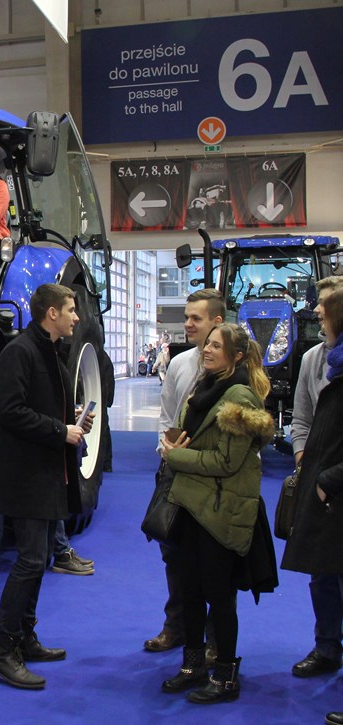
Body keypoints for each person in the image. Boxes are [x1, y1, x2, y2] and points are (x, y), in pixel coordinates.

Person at [0, 283, 92, 689]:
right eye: (71, 309)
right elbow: (9, 411)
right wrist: (60, 430)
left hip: (45, 474)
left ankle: (24, 639)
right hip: (25, 477)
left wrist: (73, 419)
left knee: (39, 558)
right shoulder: (20, 352)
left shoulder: (48, 350)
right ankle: (1, 652)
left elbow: (39, 405)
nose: (76, 317)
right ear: (52, 313)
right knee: (30, 561)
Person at [159, 322, 274, 704]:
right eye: (207, 344)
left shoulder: (239, 398)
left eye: (216, 346)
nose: (207, 350)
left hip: (221, 512)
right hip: (193, 506)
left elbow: (226, 462)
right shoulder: (205, 388)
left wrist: (176, 456)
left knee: (219, 595)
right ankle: (192, 666)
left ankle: (225, 676)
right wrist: (176, 444)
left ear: (237, 356)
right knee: (191, 590)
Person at [145, 289, 225, 654]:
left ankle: (216, 640)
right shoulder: (178, 364)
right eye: (187, 317)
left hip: (214, 481)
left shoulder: (234, 371)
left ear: (217, 322)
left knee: (215, 562)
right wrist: (166, 452)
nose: (188, 324)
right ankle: (175, 626)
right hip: (174, 474)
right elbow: (166, 417)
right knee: (173, 554)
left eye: (196, 318)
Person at [282, 285, 343, 679]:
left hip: (334, 482)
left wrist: (328, 478)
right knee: (321, 573)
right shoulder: (315, 359)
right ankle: (327, 648)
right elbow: (302, 417)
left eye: (324, 307)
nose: (317, 313)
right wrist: (305, 460)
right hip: (322, 486)